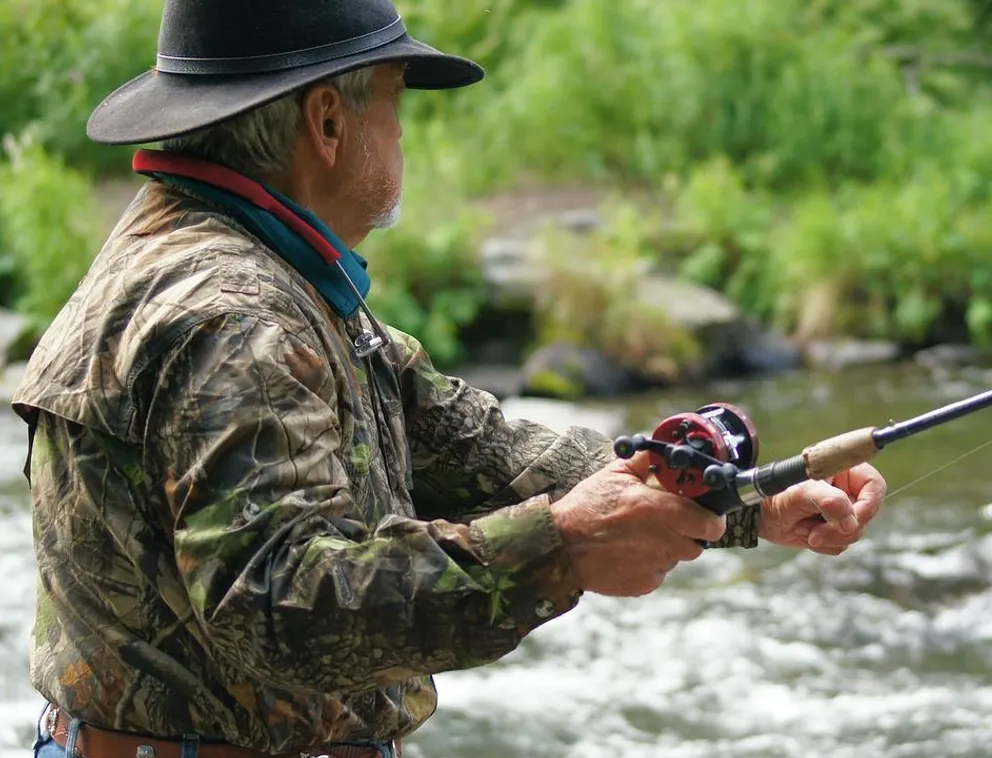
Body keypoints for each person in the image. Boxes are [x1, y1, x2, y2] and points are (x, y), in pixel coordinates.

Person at [12, 0, 888, 756]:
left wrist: (738, 500)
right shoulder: (236, 315)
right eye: (395, 106)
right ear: (327, 122)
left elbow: (472, 445)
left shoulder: (224, 261)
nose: (400, 137)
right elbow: (280, 611)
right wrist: (563, 546)